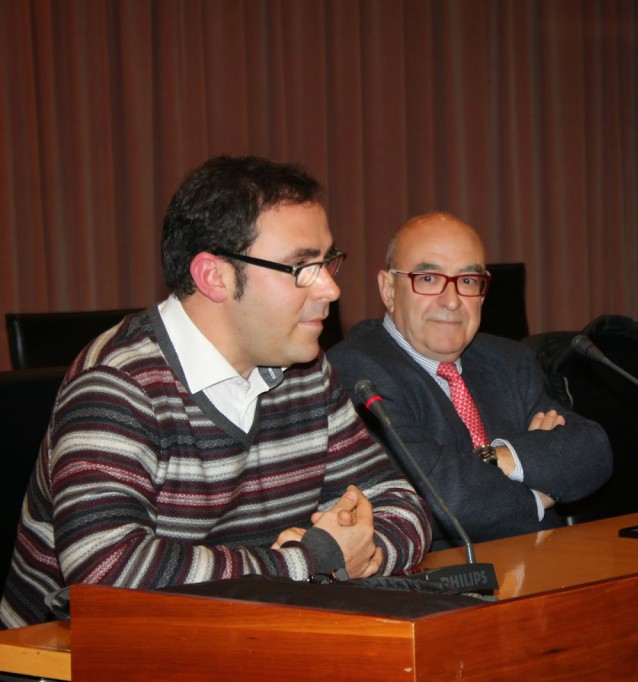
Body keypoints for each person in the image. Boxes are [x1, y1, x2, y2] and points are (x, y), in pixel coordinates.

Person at [0, 156, 431, 629]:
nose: (329, 288)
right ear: (214, 277)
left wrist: (356, 555)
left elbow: (401, 502)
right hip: (61, 662)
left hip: (241, 637)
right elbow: (107, 576)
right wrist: (310, 563)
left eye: (328, 262)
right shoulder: (119, 383)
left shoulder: (305, 369)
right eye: (301, 267)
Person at [328, 212, 612, 550]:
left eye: (467, 281)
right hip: (442, 588)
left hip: (544, 567)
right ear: (389, 289)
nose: (451, 301)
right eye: (429, 278)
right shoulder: (358, 370)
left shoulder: (507, 360)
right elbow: (445, 500)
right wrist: (540, 493)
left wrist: (500, 457)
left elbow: (593, 450)